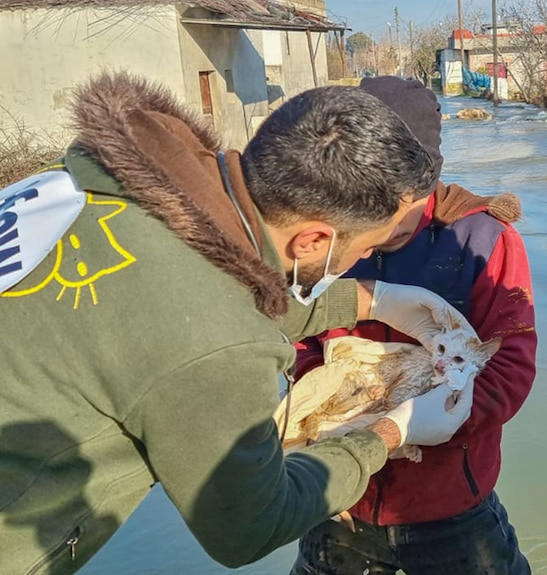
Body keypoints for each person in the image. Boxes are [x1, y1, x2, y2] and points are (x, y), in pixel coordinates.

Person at [0, 72, 479, 574]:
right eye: (367, 248)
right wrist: (386, 433)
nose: (367, 258)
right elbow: (249, 525)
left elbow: (189, 291)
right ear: (314, 241)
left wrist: (371, 299)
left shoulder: (107, 180)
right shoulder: (218, 346)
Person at [289, 76, 537, 575]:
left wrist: (433, 423)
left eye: (387, 205)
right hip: (341, 494)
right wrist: (325, 420)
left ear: (421, 179)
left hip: (450, 501)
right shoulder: (325, 235)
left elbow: (510, 365)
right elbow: (300, 343)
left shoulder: (483, 239)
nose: (369, 229)